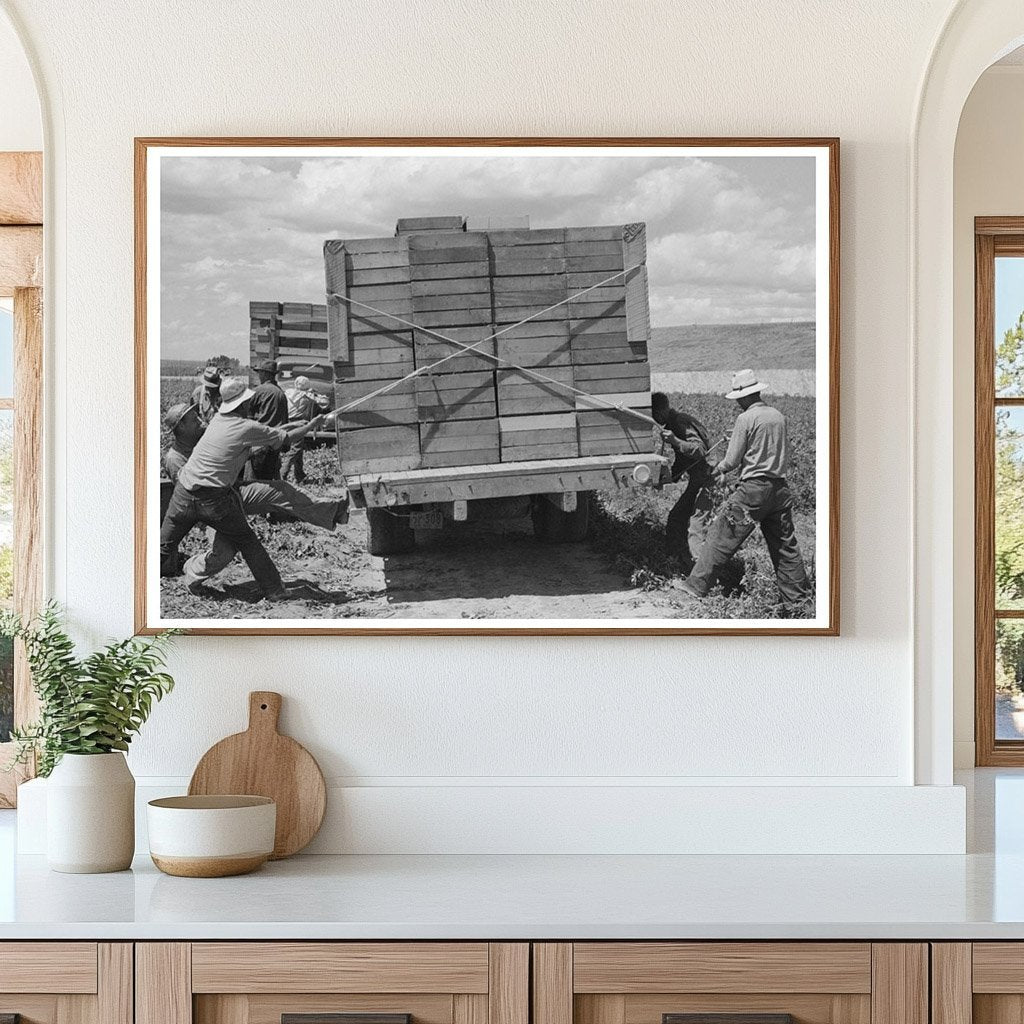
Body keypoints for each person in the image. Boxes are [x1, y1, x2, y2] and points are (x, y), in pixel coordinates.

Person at [159, 377, 325, 601]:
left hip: (183, 497)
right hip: (214, 501)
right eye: (248, 401)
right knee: (248, 543)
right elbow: (284, 438)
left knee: (163, 547)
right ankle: (274, 589)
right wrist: (311, 426)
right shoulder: (245, 426)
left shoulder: (218, 421)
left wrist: (294, 425)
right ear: (243, 404)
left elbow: (267, 434)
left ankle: (130, 585)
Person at [677, 369, 812, 609]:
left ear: (745, 396)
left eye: (739, 398)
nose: (738, 402)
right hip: (780, 489)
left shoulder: (745, 419)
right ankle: (798, 601)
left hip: (753, 490)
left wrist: (716, 470)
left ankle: (696, 585)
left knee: (721, 535)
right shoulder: (777, 415)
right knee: (785, 546)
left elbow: (732, 461)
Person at [183, 478, 348, 590]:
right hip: (213, 505)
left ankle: (336, 510)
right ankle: (191, 569)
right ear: (181, 427)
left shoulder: (208, 436)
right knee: (225, 552)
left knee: (281, 490)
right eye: (194, 423)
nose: (200, 424)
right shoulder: (175, 459)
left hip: (235, 491)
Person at [651, 392, 713, 572]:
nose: (653, 418)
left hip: (708, 477)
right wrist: (670, 478)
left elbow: (699, 450)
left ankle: (696, 571)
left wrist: (675, 441)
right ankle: (680, 562)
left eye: (654, 414)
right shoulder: (672, 423)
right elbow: (682, 460)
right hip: (699, 477)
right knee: (679, 519)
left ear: (661, 411)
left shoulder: (679, 422)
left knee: (692, 525)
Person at [282, 375, 330, 484]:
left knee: (298, 449)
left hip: (289, 422)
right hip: (299, 423)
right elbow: (324, 403)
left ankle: (300, 475)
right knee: (295, 449)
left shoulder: (288, 392)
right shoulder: (307, 395)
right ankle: (283, 473)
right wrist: (316, 393)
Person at [248, 359, 290, 480]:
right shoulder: (281, 393)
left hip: (259, 442)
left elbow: (247, 417)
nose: (259, 376)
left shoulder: (258, 391)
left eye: (260, 373)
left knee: (255, 479)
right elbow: (285, 419)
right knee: (271, 477)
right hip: (275, 441)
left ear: (265, 374)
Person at [161, 402, 206, 482]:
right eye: (195, 419)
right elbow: (189, 488)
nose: (201, 422)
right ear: (182, 426)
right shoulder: (175, 460)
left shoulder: (199, 442)